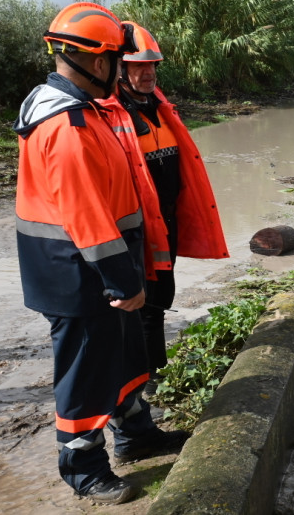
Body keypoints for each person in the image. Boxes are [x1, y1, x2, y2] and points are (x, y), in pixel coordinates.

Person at [12, 2, 187, 505]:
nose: (123, 67)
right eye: (117, 58)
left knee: (126, 357)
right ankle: (84, 468)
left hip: (103, 268)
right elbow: (88, 217)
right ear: (95, 61)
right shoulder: (68, 127)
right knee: (86, 372)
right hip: (80, 275)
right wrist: (124, 281)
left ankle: (136, 435)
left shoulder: (87, 111)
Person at [100, 22, 229, 392]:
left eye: (153, 65)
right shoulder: (109, 116)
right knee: (140, 308)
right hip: (134, 229)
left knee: (158, 302)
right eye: (139, 66)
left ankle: (155, 374)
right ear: (118, 69)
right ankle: (148, 382)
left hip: (166, 223)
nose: (149, 73)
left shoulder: (158, 107)